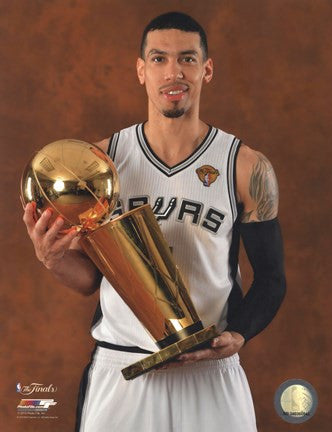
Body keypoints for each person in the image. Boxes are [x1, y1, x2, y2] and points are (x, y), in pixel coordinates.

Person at [23, 11, 286, 432]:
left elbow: (272, 279)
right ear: (141, 71)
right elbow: (90, 279)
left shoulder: (245, 167)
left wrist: (238, 335)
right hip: (123, 366)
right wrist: (51, 258)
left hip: (210, 368)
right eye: (159, 59)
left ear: (207, 69)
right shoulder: (98, 165)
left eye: (187, 58)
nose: (174, 71)